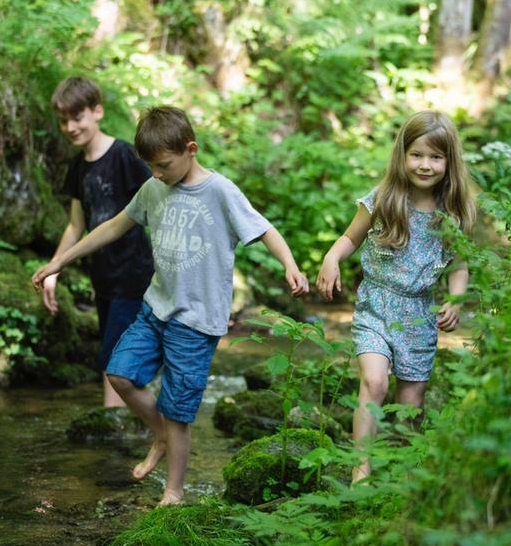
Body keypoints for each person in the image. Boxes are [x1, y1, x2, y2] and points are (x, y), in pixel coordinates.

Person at [32, 106, 309, 505]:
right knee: (119, 373)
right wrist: (61, 259)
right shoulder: (153, 188)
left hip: (196, 322)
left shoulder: (220, 191)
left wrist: (290, 265)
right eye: (151, 166)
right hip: (154, 308)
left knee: (179, 410)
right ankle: (158, 434)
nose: (157, 173)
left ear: (190, 149)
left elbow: (264, 229)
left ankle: (174, 492)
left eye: (163, 165)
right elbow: (113, 226)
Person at [316, 110, 477, 483]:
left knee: (411, 404)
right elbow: (350, 237)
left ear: (449, 162)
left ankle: (405, 474)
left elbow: (459, 265)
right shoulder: (384, 199)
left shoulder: (452, 212)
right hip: (376, 303)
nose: (425, 165)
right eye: (416, 155)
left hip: (419, 314)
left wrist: (454, 299)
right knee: (374, 382)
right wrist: (331, 258)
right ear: (402, 155)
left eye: (435, 157)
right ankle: (361, 468)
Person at [44, 76, 154, 408]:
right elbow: (76, 226)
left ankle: (117, 427)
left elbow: (158, 202)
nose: (70, 127)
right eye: (64, 121)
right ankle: (136, 426)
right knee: (114, 356)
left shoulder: (124, 155)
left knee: (113, 359)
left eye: (77, 118)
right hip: (102, 277)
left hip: (132, 274)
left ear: (97, 112)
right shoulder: (78, 167)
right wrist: (54, 268)